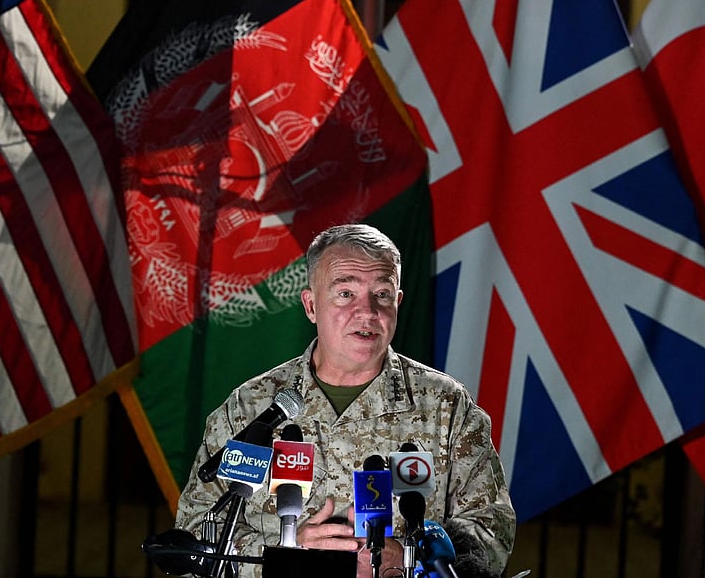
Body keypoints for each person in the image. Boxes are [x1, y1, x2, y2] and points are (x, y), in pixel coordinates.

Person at [175, 223, 517, 577]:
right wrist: (285, 556)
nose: (367, 312)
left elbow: (492, 529)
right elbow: (196, 532)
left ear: (398, 302)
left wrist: (408, 557)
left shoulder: (447, 408)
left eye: (382, 294)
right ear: (311, 305)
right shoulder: (251, 409)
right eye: (345, 294)